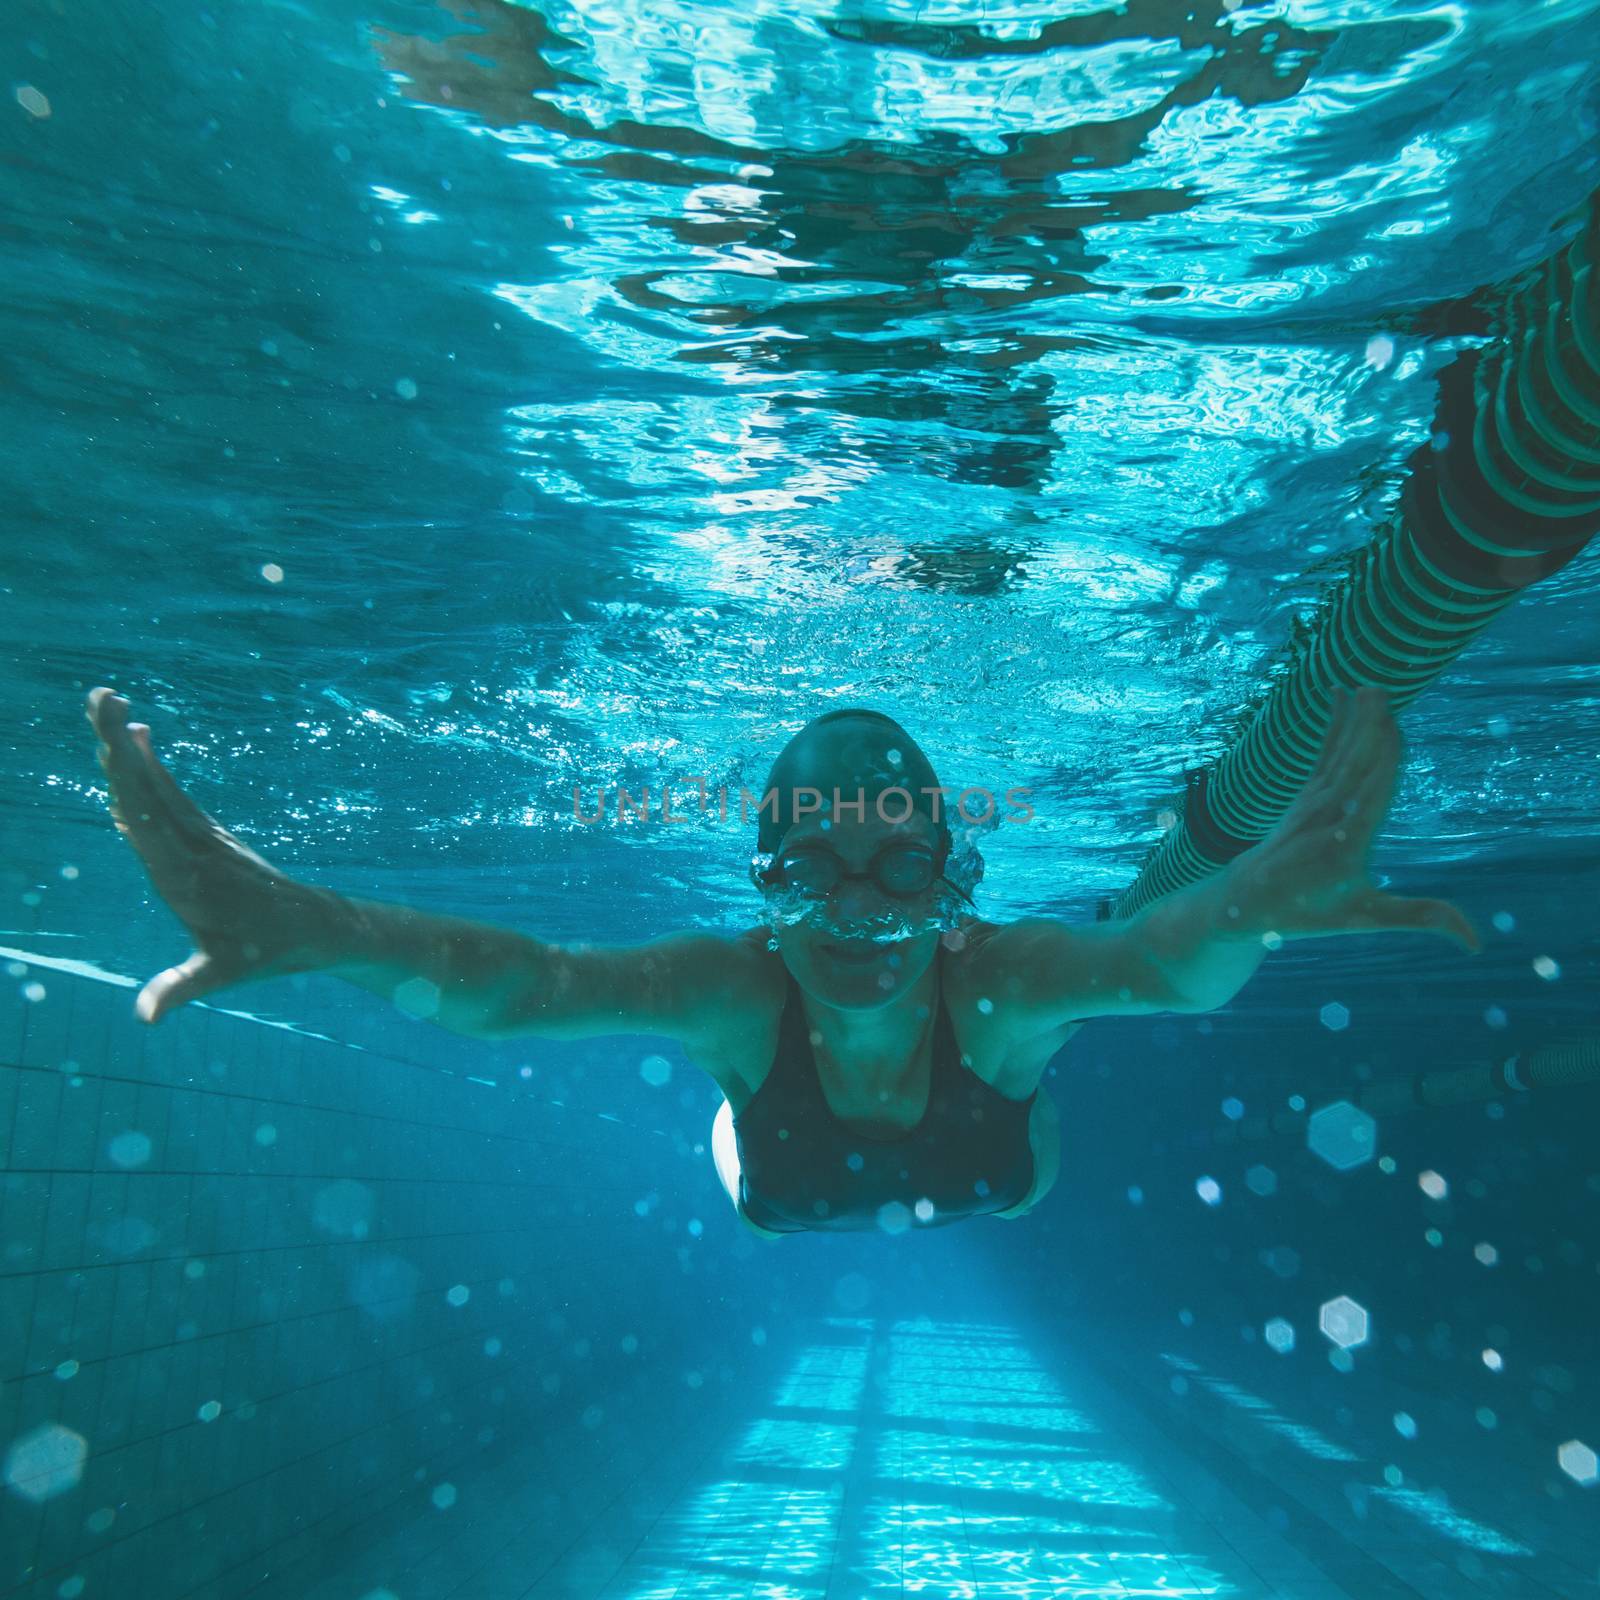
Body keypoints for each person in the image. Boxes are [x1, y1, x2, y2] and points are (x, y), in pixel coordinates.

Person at [85, 685, 1477, 1237]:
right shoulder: (741, 984)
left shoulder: (991, 976)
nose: (863, 911)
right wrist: (309, 923)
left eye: (901, 869)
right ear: (764, 883)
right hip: (787, 1162)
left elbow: (1168, 964)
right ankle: (762, 1118)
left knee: (1003, 1180)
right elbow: (523, 986)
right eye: (814, 866)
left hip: (987, 1156)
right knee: (788, 1166)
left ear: (952, 883)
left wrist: (1260, 903)